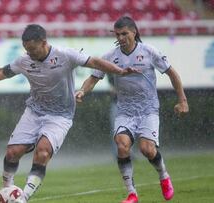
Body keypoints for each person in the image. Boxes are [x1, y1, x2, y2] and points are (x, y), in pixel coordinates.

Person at [0, 24, 138, 202]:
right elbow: (2, 72)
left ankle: (22, 197)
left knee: (43, 152)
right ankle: (5, 191)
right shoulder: (24, 60)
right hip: (34, 112)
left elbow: (94, 62)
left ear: (43, 42)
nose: (29, 53)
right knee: (12, 152)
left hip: (60, 116)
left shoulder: (65, 55)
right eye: (26, 49)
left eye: (32, 49)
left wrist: (120, 71)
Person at [75, 16, 189, 203]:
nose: (120, 37)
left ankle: (163, 176)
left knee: (147, 149)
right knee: (122, 145)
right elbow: (94, 77)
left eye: (124, 33)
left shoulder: (149, 52)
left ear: (134, 32)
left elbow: (172, 73)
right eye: (117, 34)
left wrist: (182, 100)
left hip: (148, 110)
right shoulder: (110, 56)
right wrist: (81, 91)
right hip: (125, 111)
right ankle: (132, 194)